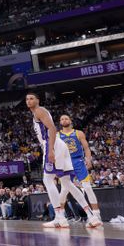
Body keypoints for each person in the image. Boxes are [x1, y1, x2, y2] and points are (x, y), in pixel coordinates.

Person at [25, 92, 101, 228]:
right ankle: (91, 216)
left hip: (52, 144)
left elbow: (52, 129)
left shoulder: (39, 111)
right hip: (60, 145)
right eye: (27, 99)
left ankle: (59, 217)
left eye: (32, 98)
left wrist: (50, 149)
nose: (29, 101)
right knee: (67, 184)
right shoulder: (39, 112)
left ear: (38, 100)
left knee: (47, 180)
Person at [57, 114, 103, 223]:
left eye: (66, 118)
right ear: (60, 122)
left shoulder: (78, 133)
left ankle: (97, 214)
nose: (64, 120)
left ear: (70, 120)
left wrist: (88, 160)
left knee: (87, 187)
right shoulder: (57, 135)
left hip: (78, 161)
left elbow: (86, 148)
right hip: (65, 163)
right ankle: (60, 216)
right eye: (62, 119)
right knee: (64, 190)